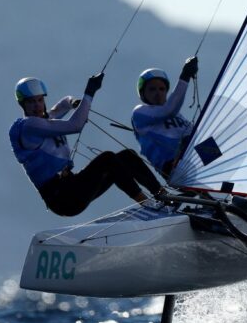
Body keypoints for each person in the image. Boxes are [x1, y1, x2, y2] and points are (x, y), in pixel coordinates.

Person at [9, 73, 166, 216]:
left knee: (127, 156)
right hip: (62, 198)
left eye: (40, 100)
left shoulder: (44, 119)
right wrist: (89, 93)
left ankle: (162, 195)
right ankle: (149, 205)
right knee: (108, 159)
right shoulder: (28, 127)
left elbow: (63, 104)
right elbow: (75, 125)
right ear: (22, 104)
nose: (37, 106)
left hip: (72, 185)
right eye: (31, 102)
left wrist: (74, 102)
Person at [131, 57, 198, 177]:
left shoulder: (178, 115)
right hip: (172, 168)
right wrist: (185, 76)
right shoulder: (139, 113)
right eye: (152, 89)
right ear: (143, 93)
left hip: (195, 161)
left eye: (162, 89)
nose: (158, 93)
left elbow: (195, 134)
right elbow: (168, 110)